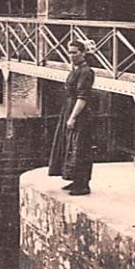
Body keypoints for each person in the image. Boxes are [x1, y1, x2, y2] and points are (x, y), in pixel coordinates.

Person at [48, 40, 95, 196]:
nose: (71, 56)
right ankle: (75, 179)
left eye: (75, 52)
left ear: (83, 53)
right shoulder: (76, 70)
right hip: (69, 109)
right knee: (70, 146)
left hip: (80, 113)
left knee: (80, 147)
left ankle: (83, 185)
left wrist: (73, 117)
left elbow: (83, 97)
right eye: (70, 52)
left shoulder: (86, 71)